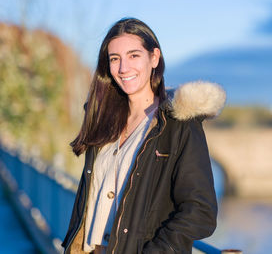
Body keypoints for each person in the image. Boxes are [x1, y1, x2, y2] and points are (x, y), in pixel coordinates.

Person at [61, 18, 225, 254]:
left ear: (154, 57)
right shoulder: (103, 120)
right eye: (114, 59)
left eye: (134, 55)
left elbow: (201, 211)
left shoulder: (178, 124)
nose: (123, 68)